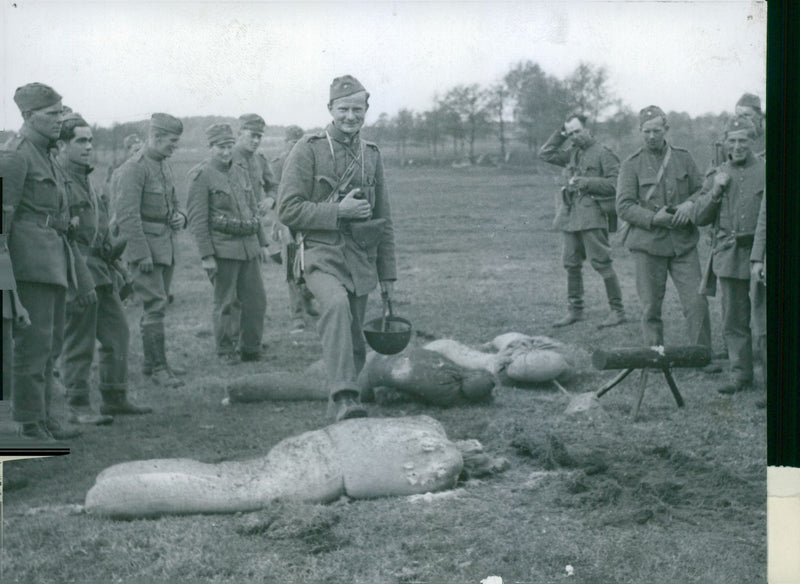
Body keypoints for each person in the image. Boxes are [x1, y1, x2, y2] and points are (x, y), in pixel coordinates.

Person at [278, 75, 397, 421]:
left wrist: (387, 274)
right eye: (343, 109)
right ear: (330, 109)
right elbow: (287, 209)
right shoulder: (308, 148)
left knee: (356, 339)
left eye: (357, 110)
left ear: (366, 111)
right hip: (319, 253)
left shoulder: (371, 154)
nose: (350, 116)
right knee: (335, 305)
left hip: (360, 258)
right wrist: (338, 211)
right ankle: (345, 396)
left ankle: (342, 407)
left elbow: (384, 218)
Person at [0, 82, 96, 441]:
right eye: (51, 114)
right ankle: (27, 421)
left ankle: (45, 416)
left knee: (52, 343)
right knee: (33, 345)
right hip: (28, 265)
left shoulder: (47, 154)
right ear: (27, 116)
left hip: (52, 259)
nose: (60, 119)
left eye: (61, 112)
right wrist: (5, 281)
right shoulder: (15, 156)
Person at [56, 113, 152, 422]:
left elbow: (99, 231)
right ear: (61, 145)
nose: (88, 147)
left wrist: (119, 251)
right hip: (76, 269)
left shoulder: (87, 178)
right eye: (80, 141)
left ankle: (114, 396)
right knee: (79, 340)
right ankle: (77, 405)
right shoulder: (59, 181)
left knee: (117, 334)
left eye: (90, 140)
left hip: (101, 269)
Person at [616, 105, 712, 350]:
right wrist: (652, 218)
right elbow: (624, 206)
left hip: (683, 244)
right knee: (650, 306)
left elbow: (702, 189)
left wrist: (690, 205)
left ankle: (700, 353)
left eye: (656, 131)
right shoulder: (631, 164)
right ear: (640, 131)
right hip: (648, 245)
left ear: (666, 129)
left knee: (696, 301)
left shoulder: (683, 157)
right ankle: (654, 354)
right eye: (646, 131)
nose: (651, 136)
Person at [112, 113, 187, 388]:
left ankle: (152, 362)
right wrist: (141, 253)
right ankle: (158, 368)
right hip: (146, 250)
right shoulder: (135, 168)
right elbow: (127, 215)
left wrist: (181, 216)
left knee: (158, 305)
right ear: (155, 137)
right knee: (154, 306)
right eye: (171, 142)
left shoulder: (162, 165)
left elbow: (174, 202)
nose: (174, 148)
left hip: (164, 245)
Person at [187, 123, 269, 364]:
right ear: (210, 147)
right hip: (223, 250)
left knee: (256, 301)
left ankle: (251, 349)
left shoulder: (241, 171)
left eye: (229, 146)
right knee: (225, 303)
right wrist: (206, 256)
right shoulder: (201, 176)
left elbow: (252, 208)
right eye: (221, 147)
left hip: (249, 249)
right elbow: (198, 220)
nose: (226, 152)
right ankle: (225, 351)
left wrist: (263, 242)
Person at [694, 116, 765, 395]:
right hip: (729, 255)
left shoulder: (767, 169)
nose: (738, 146)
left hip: (763, 255)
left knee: (764, 322)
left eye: (743, 140)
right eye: (732, 140)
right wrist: (716, 190)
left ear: (754, 141)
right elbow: (700, 217)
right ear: (725, 142)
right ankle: (741, 375)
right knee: (733, 320)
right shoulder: (717, 173)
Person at [538, 113, 625, 328]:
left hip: (593, 216)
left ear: (588, 129)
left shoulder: (604, 154)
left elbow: (617, 184)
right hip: (570, 216)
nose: (575, 136)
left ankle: (617, 311)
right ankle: (575, 311)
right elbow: (546, 153)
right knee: (571, 263)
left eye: (578, 131)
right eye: (571, 133)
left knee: (601, 263)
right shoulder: (572, 153)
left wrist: (587, 182)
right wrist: (561, 133)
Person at [271, 125, 318, 333]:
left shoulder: (310, 162)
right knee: (291, 269)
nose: (295, 147)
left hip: (307, 222)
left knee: (309, 266)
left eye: (299, 143)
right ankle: (296, 315)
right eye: (292, 142)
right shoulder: (277, 165)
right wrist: (280, 225)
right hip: (287, 223)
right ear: (284, 142)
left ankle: (308, 299)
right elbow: (274, 196)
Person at [734, 93, 765, 159]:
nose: (741, 120)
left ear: (760, 116)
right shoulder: (730, 144)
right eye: (738, 116)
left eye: (746, 115)